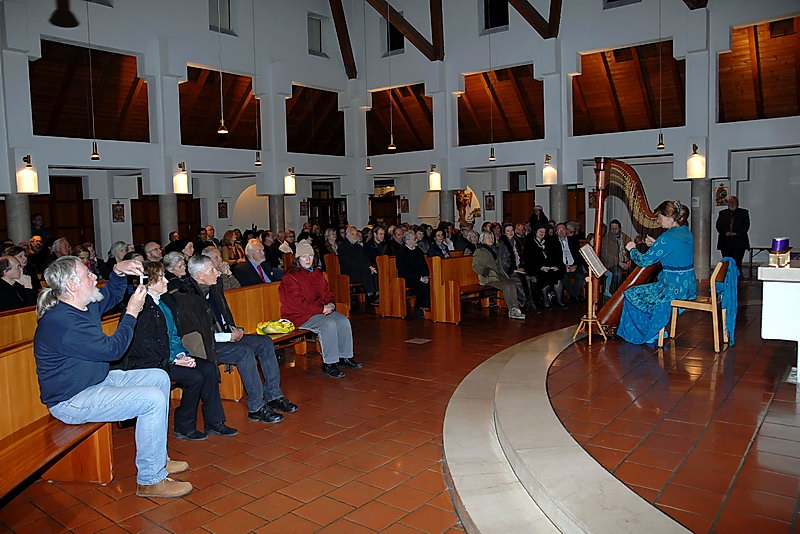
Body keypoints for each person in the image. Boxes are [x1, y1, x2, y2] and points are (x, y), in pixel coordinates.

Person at [33, 256, 192, 498]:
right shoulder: (62, 322)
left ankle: (158, 459)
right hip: (71, 400)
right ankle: (150, 480)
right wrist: (132, 312)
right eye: (87, 274)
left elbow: (112, 294)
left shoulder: (82, 306)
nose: (94, 276)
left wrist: (118, 270)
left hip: (96, 382)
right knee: (152, 399)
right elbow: (113, 350)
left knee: (159, 377)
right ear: (72, 285)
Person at [117, 261, 237, 441]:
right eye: (161, 278)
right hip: (150, 362)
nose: (167, 281)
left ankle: (214, 421)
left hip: (168, 357)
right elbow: (145, 344)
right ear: (149, 283)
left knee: (208, 368)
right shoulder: (140, 307)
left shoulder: (165, 302)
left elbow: (173, 335)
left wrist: (181, 354)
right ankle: (184, 426)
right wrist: (174, 360)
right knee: (195, 377)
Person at [176, 255, 295, 423]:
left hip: (226, 336)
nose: (217, 273)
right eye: (212, 270)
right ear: (200, 276)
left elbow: (223, 316)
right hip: (207, 345)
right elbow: (197, 335)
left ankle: (274, 395)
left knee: (265, 342)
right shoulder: (188, 299)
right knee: (244, 352)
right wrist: (228, 336)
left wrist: (234, 329)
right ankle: (256, 407)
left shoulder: (213, 287)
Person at [279, 240, 362, 379]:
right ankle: (329, 363)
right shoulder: (290, 276)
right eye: (304, 256)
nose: (308, 259)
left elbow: (327, 292)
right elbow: (297, 303)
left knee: (342, 320)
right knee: (328, 324)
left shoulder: (317, 272)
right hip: (298, 315)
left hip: (319, 311)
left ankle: (344, 356)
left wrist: (330, 304)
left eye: (310, 256)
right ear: (298, 258)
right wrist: (321, 309)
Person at [618, 200, 697, 345]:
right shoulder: (686, 231)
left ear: (669, 217)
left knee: (631, 294)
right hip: (687, 287)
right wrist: (656, 244)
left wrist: (632, 248)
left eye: (659, 216)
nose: (658, 220)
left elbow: (644, 261)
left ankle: (648, 333)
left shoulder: (666, 238)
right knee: (646, 292)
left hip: (671, 289)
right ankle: (656, 330)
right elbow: (676, 250)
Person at [472, 232, 526, 320]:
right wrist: (487, 272)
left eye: (492, 237)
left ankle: (515, 308)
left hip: (498, 275)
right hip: (488, 277)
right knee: (506, 286)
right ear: (483, 239)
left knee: (512, 283)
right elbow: (476, 266)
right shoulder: (480, 250)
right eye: (488, 237)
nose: (491, 239)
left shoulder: (494, 248)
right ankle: (512, 309)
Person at [524, 224, 565, 308]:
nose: (542, 233)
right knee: (544, 277)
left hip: (549, 266)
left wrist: (555, 266)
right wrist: (540, 267)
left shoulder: (549, 241)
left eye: (544, 231)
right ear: (536, 232)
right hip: (536, 267)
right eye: (540, 231)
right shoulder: (530, 243)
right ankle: (546, 301)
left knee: (558, 275)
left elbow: (555, 256)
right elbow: (528, 259)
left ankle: (559, 300)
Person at [498, 223, 534, 313]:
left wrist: (521, 267)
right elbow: (503, 261)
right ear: (504, 233)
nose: (510, 232)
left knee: (531, 276)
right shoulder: (503, 243)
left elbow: (520, 257)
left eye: (512, 230)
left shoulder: (515, 241)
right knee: (520, 279)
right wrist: (514, 269)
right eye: (508, 231)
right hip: (508, 270)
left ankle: (531, 302)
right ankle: (523, 303)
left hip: (517, 267)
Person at [338, 226, 379, 304]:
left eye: (356, 234)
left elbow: (365, 259)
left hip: (360, 270)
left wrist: (370, 266)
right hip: (349, 272)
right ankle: (370, 295)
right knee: (366, 270)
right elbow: (350, 263)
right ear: (347, 235)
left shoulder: (358, 247)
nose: (355, 236)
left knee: (374, 269)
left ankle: (377, 293)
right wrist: (367, 267)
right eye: (352, 234)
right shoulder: (343, 247)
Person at [395, 231, 430, 319]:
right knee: (421, 285)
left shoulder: (418, 250)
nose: (416, 240)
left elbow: (425, 265)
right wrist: (420, 278)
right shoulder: (401, 252)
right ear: (407, 241)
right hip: (407, 278)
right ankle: (420, 308)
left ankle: (427, 307)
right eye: (414, 239)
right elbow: (404, 270)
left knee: (429, 283)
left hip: (420, 276)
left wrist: (426, 276)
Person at [715, 196, 750, 272]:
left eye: (734, 202)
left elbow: (746, 226)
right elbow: (719, 226)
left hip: (739, 242)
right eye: (730, 202)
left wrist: (736, 233)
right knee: (726, 262)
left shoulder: (744, 213)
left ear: (737, 203)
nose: (732, 204)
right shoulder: (722, 213)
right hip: (725, 242)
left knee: (737, 262)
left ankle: (737, 277)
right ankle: (727, 277)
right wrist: (725, 232)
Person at [555, 223, 587, 302]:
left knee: (580, 276)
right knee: (563, 278)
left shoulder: (573, 240)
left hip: (574, 265)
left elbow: (579, 255)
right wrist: (564, 267)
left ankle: (574, 294)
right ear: (556, 232)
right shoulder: (553, 242)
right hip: (562, 266)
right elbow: (554, 258)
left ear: (566, 231)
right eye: (559, 230)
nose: (561, 231)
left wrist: (575, 265)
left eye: (563, 229)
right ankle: (576, 295)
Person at [601, 219, 632, 295]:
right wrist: (618, 262)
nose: (614, 230)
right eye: (612, 229)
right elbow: (605, 254)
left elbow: (631, 248)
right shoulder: (606, 239)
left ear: (620, 228)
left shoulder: (625, 237)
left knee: (632, 271)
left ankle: (627, 292)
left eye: (616, 228)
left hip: (624, 261)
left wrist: (629, 260)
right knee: (617, 273)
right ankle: (614, 294)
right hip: (611, 263)